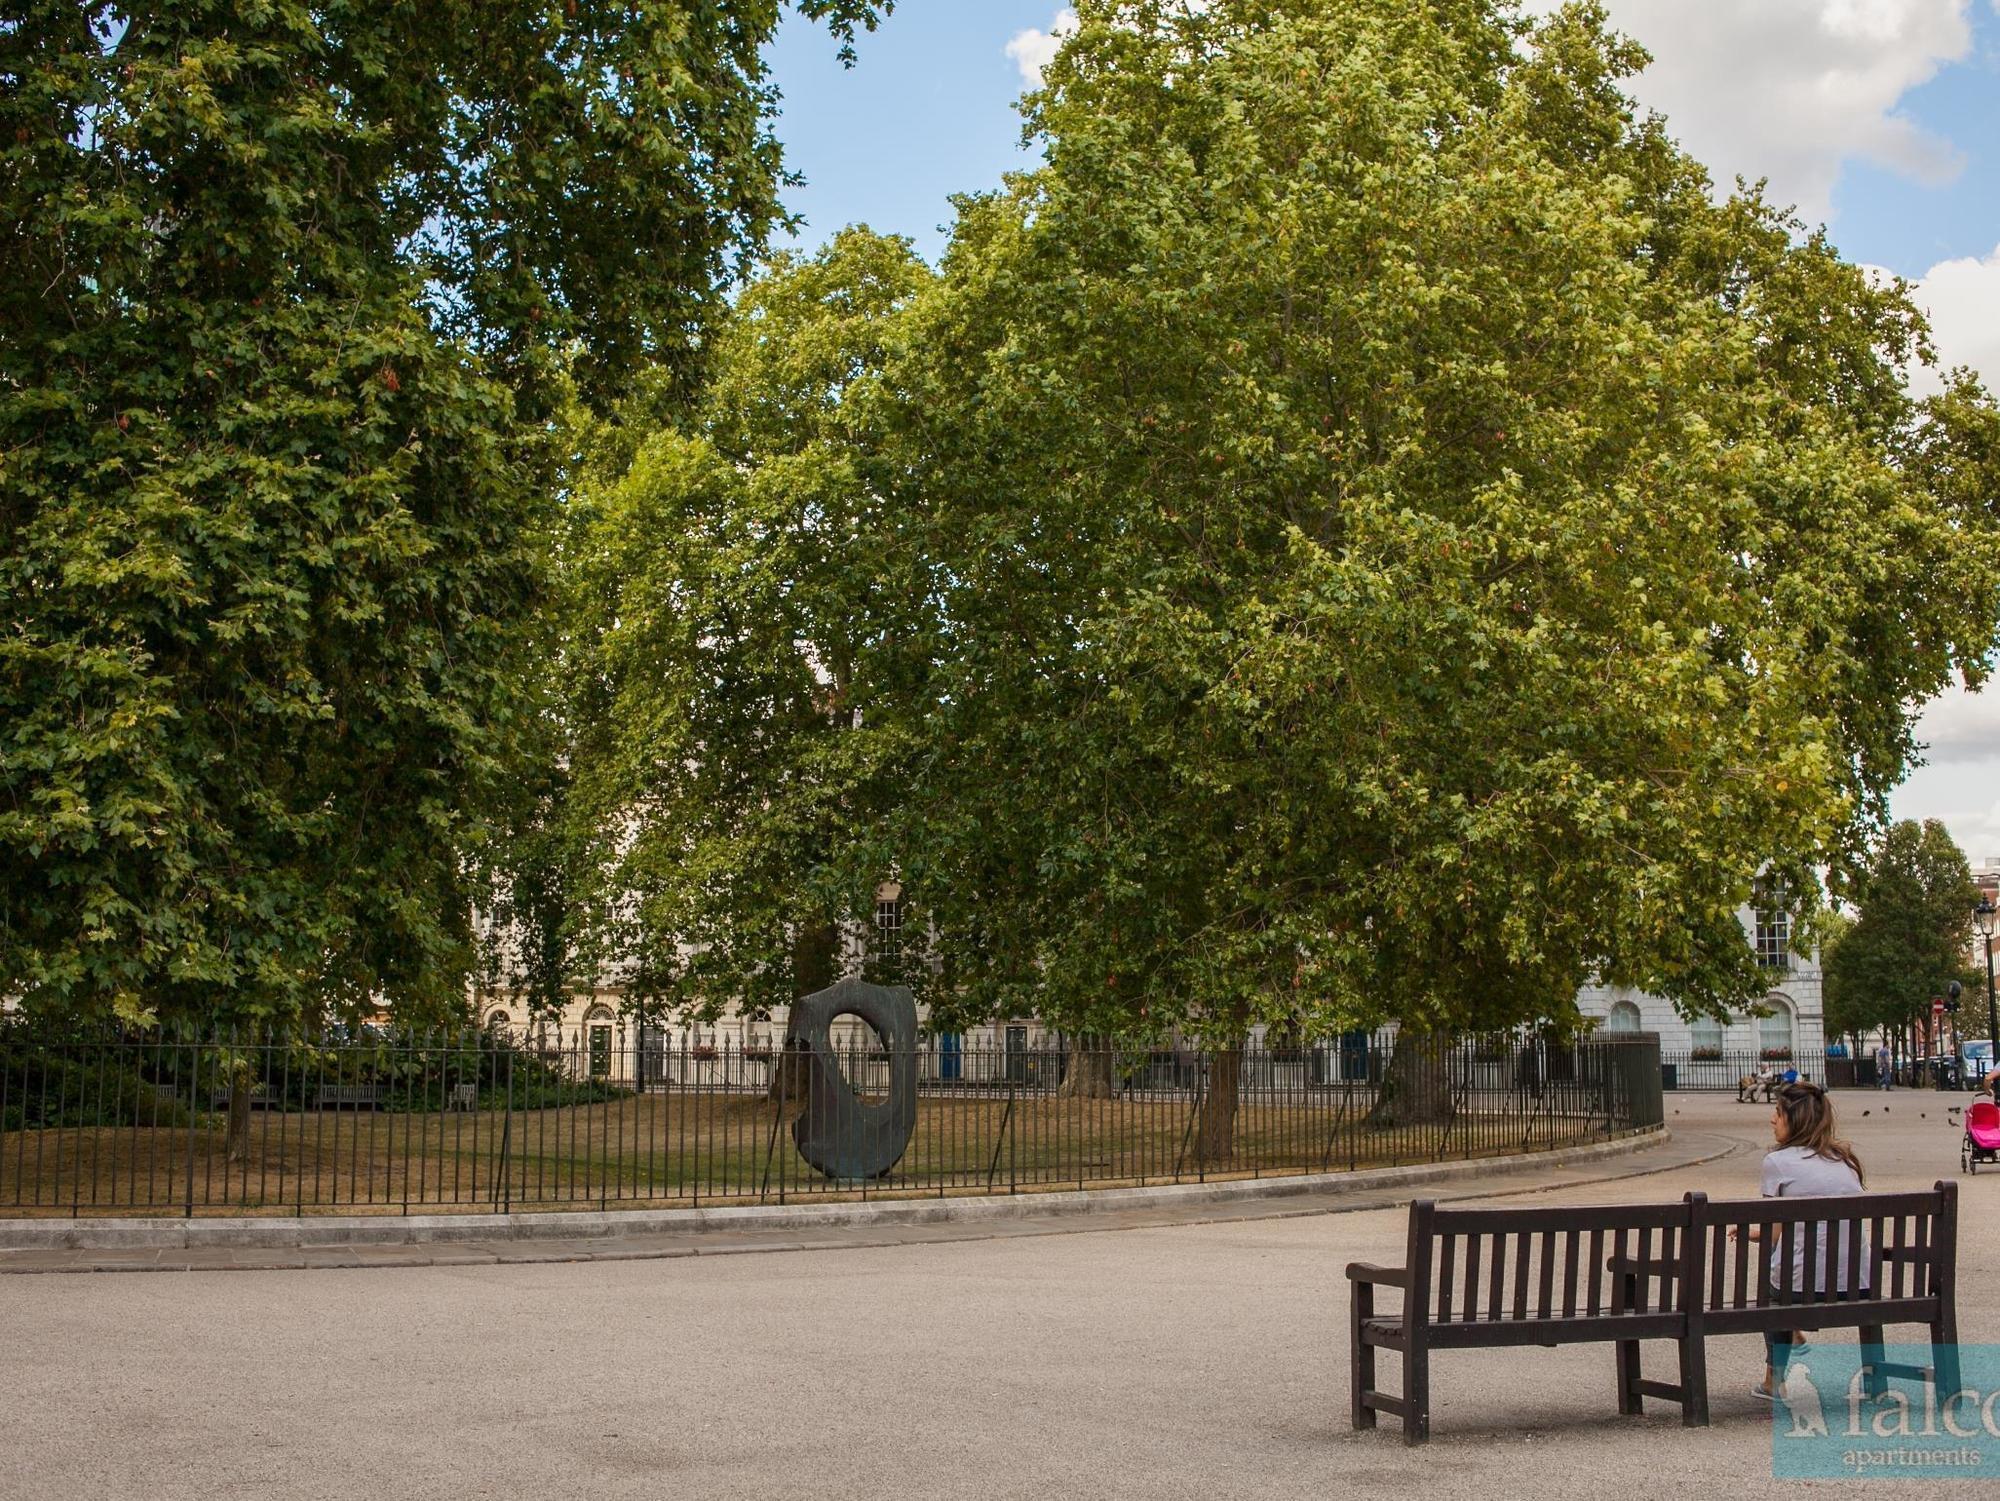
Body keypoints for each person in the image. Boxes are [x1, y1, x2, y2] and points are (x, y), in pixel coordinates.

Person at [1739, 1082, 1869, 1402]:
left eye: (1778, 1112)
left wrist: (1755, 1235)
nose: (1772, 1119)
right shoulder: (1846, 1160)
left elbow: (1774, 1230)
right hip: (1858, 1284)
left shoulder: (1778, 1163)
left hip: (1800, 1287)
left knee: (1772, 1288)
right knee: (1788, 1269)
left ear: (1793, 1119)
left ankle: (1774, 1377)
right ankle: (1793, 1328)